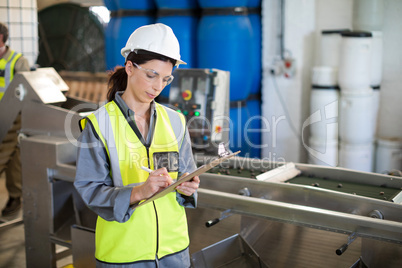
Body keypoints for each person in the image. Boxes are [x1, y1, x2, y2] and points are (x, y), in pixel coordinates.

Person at [74, 23, 200, 267]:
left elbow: (186, 173)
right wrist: (139, 192)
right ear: (130, 68)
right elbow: (89, 190)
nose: (157, 86)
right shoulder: (98, 124)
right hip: (124, 254)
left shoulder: (175, 121)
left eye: (166, 78)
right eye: (151, 75)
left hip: (173, 252)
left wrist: (189, 187)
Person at [0, 22, 30, 216]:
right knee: (13, 157)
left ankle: (16, 196)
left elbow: (25, 91)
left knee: (8, 155)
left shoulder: (18, 61)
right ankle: (15, 196)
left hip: (12, 117)